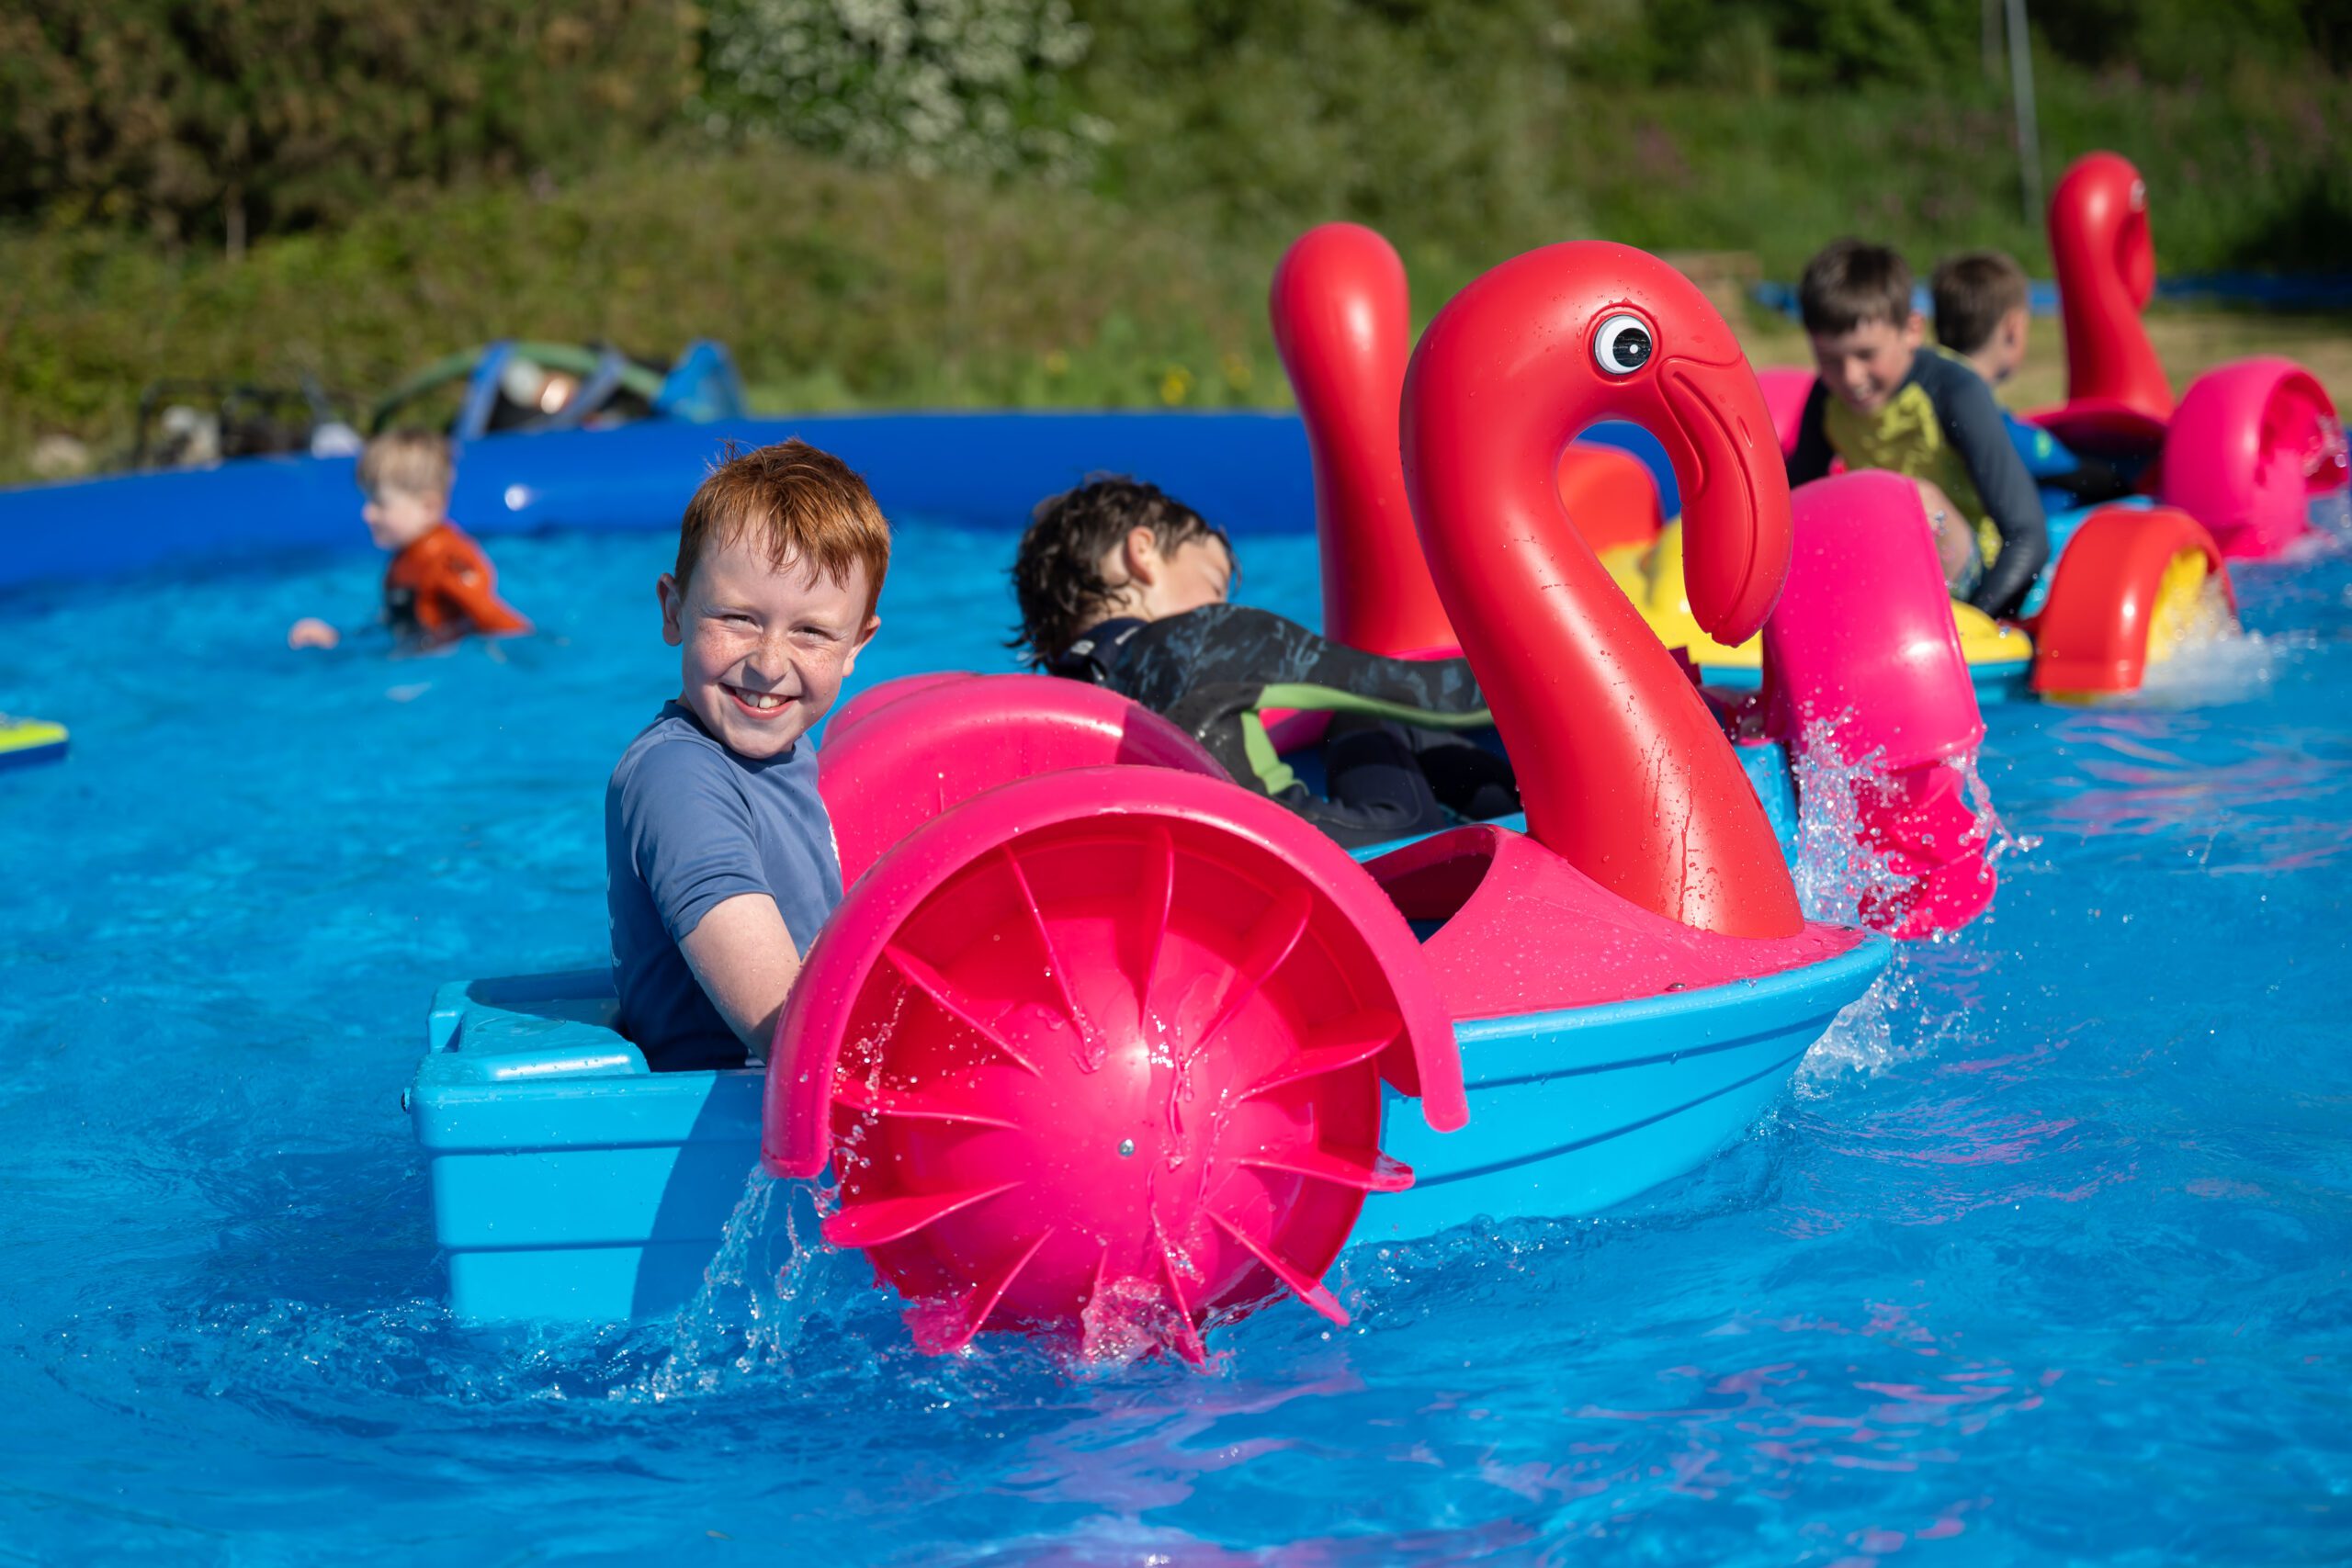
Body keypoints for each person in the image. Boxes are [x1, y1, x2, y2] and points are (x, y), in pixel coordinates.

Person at [1010, 476, 1518, 850]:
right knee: (1368, 711)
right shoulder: (1203, 637)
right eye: (1212, 583)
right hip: (1338, 855)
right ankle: (1528, 815)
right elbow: (1439, 696)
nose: (1218, 603)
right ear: (1142, 552)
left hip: (1202, 877)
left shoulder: (1061, 707)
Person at [605, 439, 888, 1071]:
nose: (767, 663)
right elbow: (792, 1035)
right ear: (674, 609)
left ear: (856, 644)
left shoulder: (787, 748)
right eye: (738, 618)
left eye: (811, 631)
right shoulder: (678, 776)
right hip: (710, 1135)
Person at [1786, 239, 2051, 618]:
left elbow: (2028, 536)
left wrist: (1979, 624)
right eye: (1828, 359)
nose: (1850, 377)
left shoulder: (1955, 390)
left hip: (1972, 580)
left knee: (1913, 503)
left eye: (1866, 354)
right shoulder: (1826, 396)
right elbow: (1796, 505)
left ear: (1911, 330)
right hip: (1888, 571)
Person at [287, 430, 531, 650]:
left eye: (380, 503)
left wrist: (530, 647)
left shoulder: (446, 559)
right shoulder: (404, 560)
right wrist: (339, 637)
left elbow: (490, 614)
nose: (367, 514)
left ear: (428, 507)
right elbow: (396, 624)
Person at [1929, 249, 2134, 512]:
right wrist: (2127, 486)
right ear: (2013, 328)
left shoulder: (1924, 404)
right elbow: (2084, 476)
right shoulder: (1994, 426)